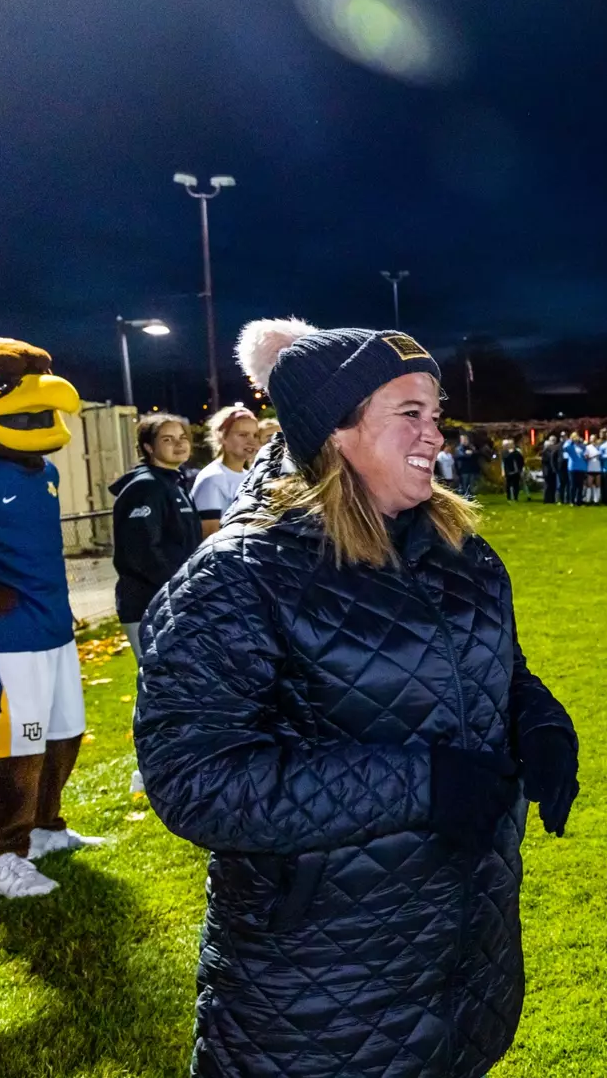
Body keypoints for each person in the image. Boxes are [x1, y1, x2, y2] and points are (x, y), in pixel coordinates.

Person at [134, 319, 579, 1078]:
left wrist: (537, 720)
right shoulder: (238, 577)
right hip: (315, 997)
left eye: (435, 414)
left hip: (464, 969)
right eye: (409, 413)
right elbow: (195, 780)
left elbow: (496, 669)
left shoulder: (458, 548)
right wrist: (421, 785)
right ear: (334, 430)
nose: (433, 434)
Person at [0, 337, 103, 898]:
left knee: (62, 734)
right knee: (10, 751)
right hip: (4, 639)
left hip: (51, 627)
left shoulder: (43, 471)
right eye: (9, 386)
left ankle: (44, 827)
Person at [111, 412, 200, 655]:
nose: (180, 444)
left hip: (175, 602)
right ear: (148, 447)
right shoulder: (146, 487)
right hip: (148, 605)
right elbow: (142, 554)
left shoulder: (173, 483)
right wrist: (181, 588)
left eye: (183, 437)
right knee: (159, 685)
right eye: (168, 440)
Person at [191, 404, 261, 535]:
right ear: (222, 436)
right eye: (243, 435)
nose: (252, 441)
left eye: (255, 435)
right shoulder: (212, 479)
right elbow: (209, 535)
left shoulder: (251, 476)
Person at [564, 430, 589, 505]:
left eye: (577, 436)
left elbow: (586, 453)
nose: (576, 438)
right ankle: (572, 501)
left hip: (582, 468)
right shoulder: (570, 446)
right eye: (574, 437)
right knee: (573, 485)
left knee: (580, 486)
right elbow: (565, 447)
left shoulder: (582, 446)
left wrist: (586, 456)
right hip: (573, 468)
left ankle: (579, 501)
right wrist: (570, 441)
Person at [455, 431, 482, 498]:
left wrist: (471, 452)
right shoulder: (459, 448)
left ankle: (470, 497)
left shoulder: (471, 447)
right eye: (463, 439)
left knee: (471, 484)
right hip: (463, 470)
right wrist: (468, 454)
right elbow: (460, 456)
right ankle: (465, 498)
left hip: (471, 469)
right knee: (464, 485)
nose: (465, 441)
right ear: (461, 440)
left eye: (466, 439)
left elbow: (477, 455)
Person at [540, 430, 563, 503]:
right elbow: (548, 460)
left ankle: (552, 499)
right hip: (547, 470)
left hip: (553, 470)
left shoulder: (554, 449)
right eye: (552, 440)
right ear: (549, 441)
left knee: (553, 485)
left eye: (554, 440)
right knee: (547, 485)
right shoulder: (546, 450)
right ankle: (546, 499)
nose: (553, 441)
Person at [583, 436, 602, 504]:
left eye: (594, 439)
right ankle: (588, 499)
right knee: (589, 485)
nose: (593, 440)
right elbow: (585, 457)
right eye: (592, 439)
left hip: (598, 468)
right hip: (590, 468)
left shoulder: (599, 447)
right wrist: (593, 456)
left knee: (597, 484)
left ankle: (596, 500)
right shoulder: (588, 447)